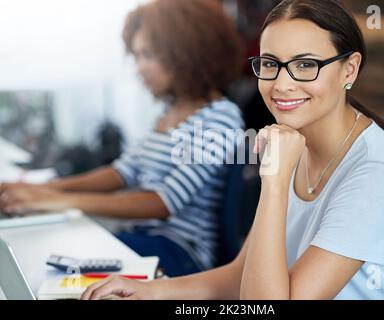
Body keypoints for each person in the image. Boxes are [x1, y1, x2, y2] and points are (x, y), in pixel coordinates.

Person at [80, 0, 384, 300]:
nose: (282, 85)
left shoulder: (375, 176)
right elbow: (241, 275)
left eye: (306, 65)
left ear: (349, 70)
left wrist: (273, 181)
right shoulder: (294, 143)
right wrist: (149, 291)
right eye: (270, 64)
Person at [0, 0, 244, 277]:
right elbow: (122, 172)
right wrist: (49, 189)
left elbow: (164, 202)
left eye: (148, 55)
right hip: (145, 238)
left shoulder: (220, 118)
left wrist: (57, 200)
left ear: (185, 52)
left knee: (56, 269)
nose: (139, 68)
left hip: (181, 254)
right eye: (137, 56)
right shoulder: (168, 113)